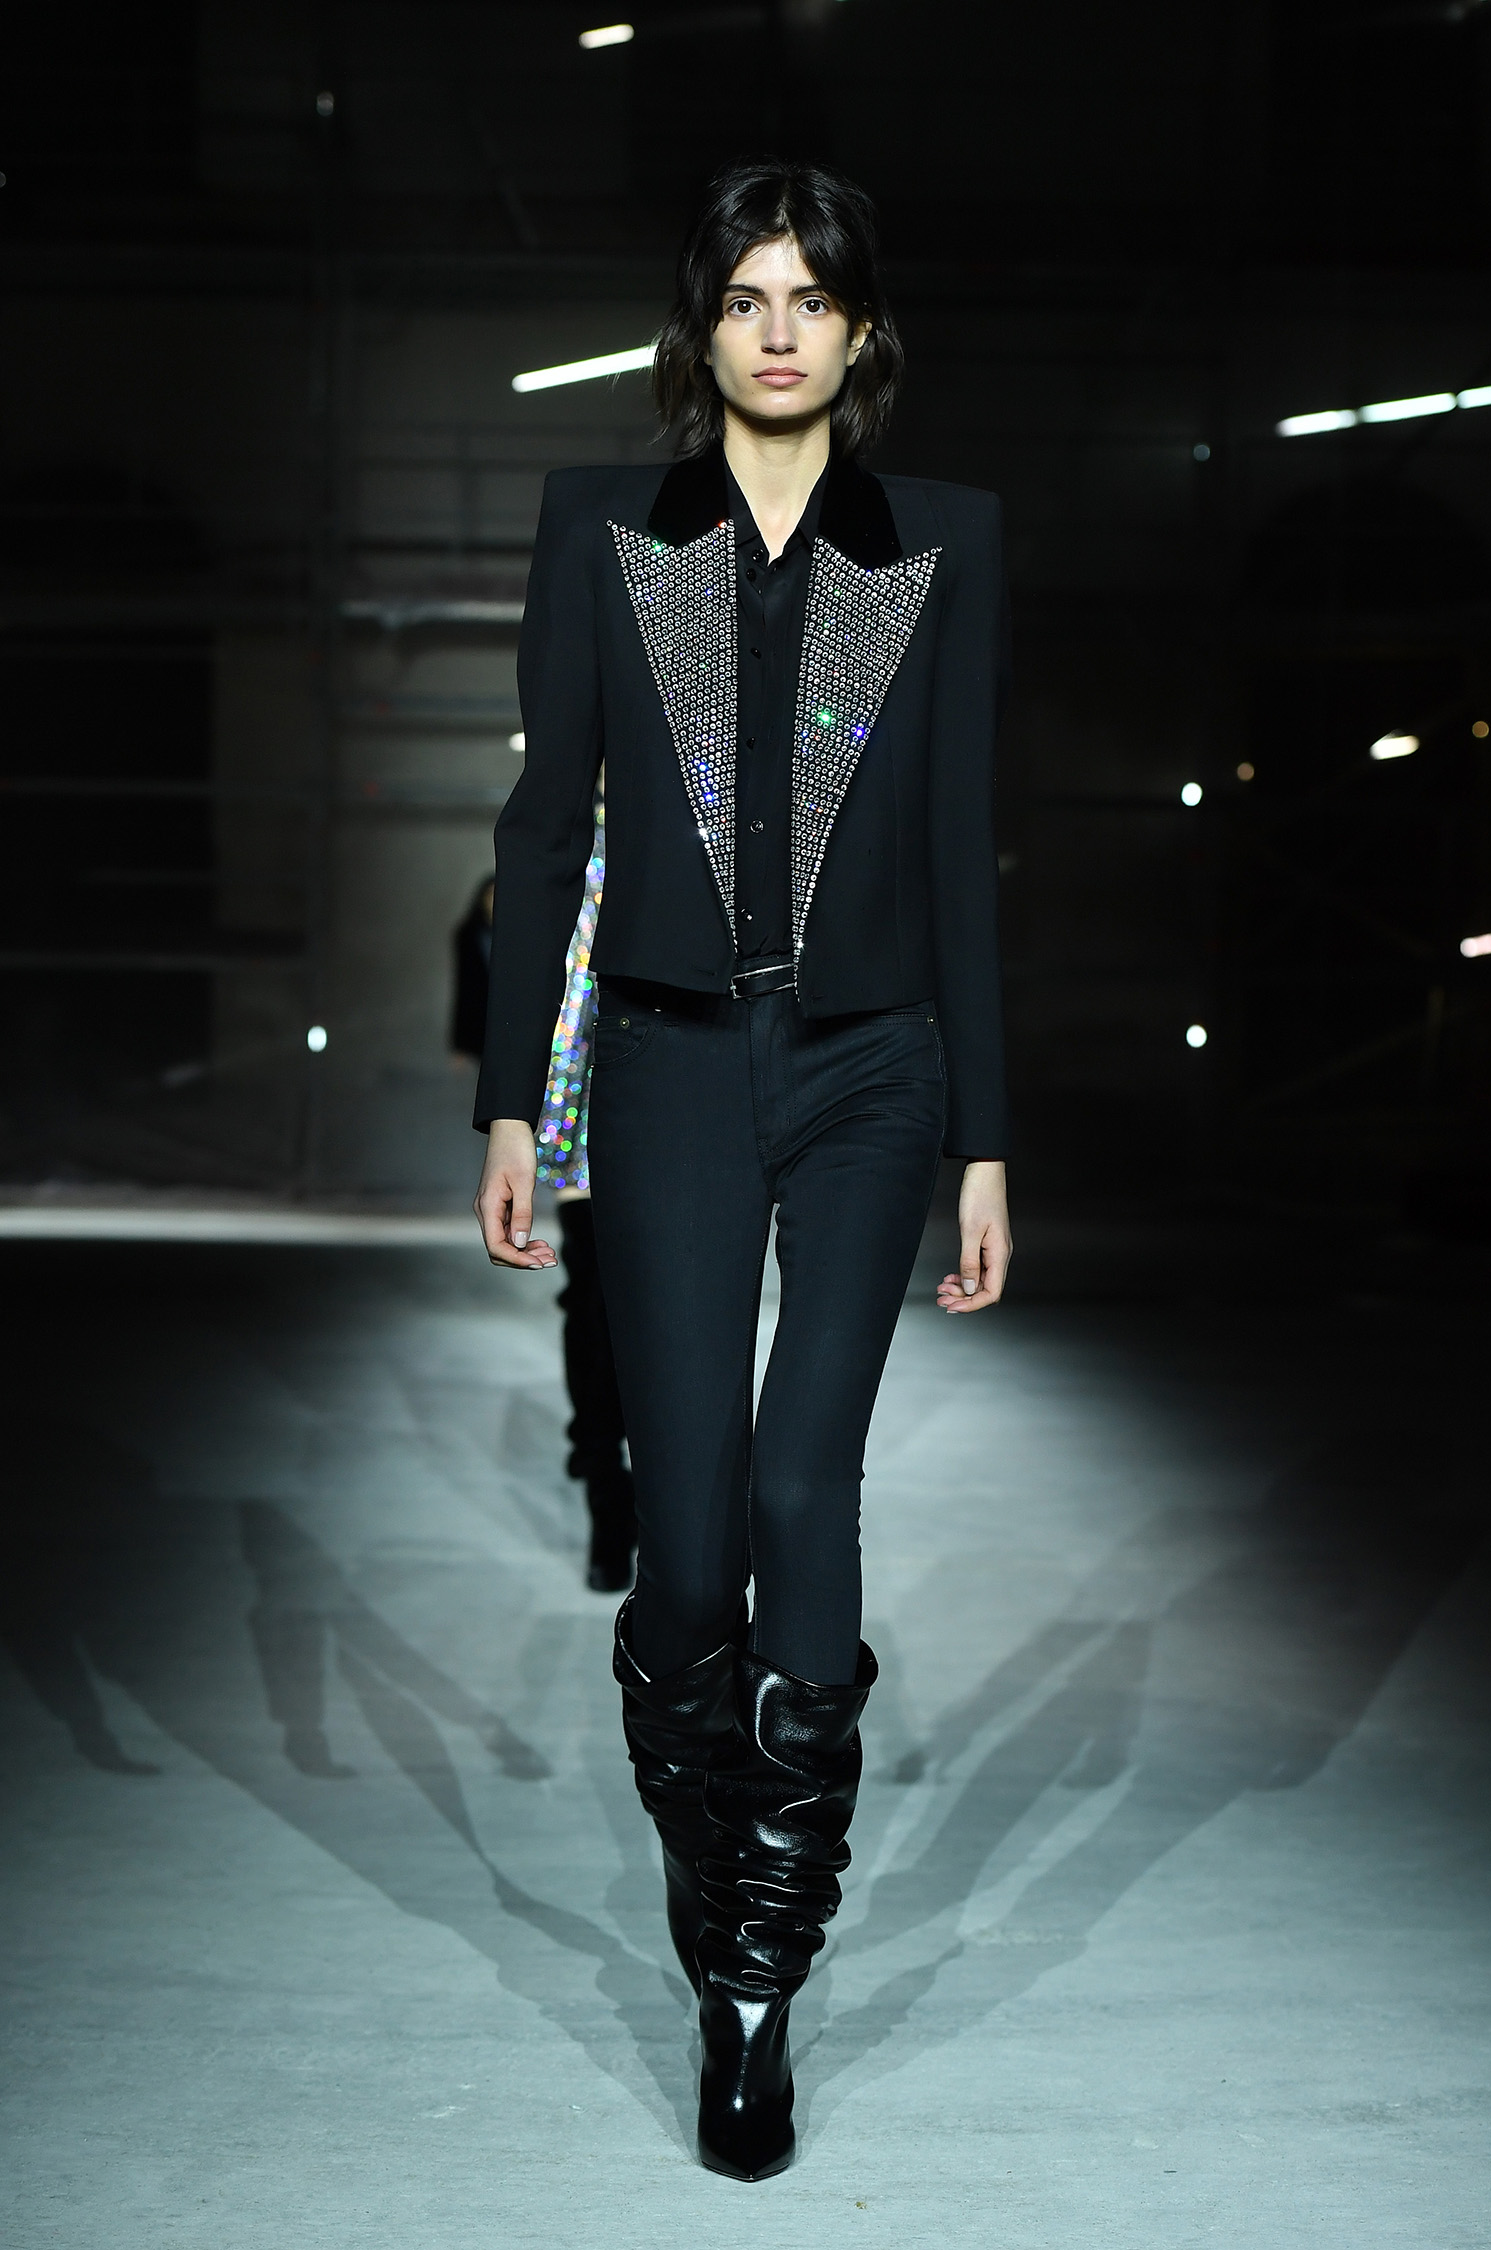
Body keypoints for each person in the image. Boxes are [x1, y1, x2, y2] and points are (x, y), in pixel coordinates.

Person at [473, 158, 1013, 2182]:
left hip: (874, 1070)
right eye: (745, 296)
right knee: (688, 1548)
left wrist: (984, 1138)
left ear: (862, 332)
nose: (778, 329)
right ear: (699, 327)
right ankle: (718, 1886)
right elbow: (546, 827)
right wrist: (515, 1104)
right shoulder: (600, 528)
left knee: (803, 1487)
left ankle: (758, 1984)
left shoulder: (945, 540)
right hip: (671, 1068)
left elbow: (958, 852)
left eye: (812, 297)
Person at [451, 851, 636, 1592]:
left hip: (687, 1098)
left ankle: (659, 1499)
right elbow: (524, 971)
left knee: (667, 1312)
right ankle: (606, 1490)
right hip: (582, 1091)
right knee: (593, 1301)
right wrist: (519, 1116)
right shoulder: (570, 845)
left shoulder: (699, 817)